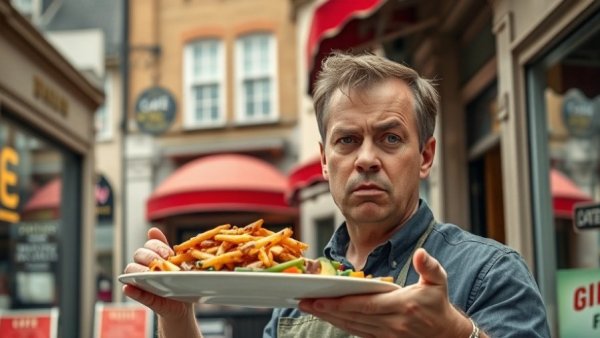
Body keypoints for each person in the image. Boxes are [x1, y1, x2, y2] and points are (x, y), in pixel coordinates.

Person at [123, 52, 551, 338]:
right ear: (326, 162)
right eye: (347, 141)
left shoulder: (490, 273)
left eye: (389, 138)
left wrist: (458, 335)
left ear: (424, 155)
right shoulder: (295, 282)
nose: (366, 158)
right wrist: (177, 317)